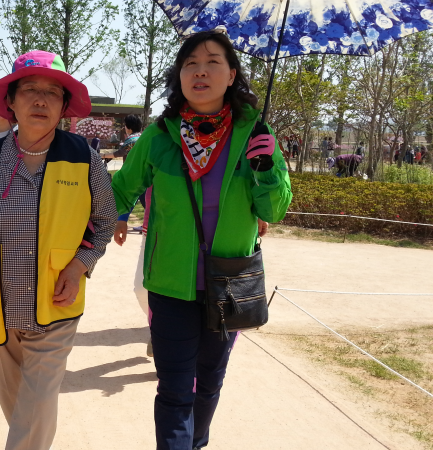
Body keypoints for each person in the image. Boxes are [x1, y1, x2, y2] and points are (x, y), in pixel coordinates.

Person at [110, 31, 292, 449]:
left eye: (212, 62)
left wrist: (267, 169)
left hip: (230, 284)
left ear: (231, 75)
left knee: (209, 384)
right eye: (190, 63)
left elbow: (273, 211)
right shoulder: (160, 135)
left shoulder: (255, 134)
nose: (200, 71)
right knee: (175, 391)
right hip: (170, 285)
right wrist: (103, 219)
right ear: (179, 76)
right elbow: (121, 189)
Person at [0, 50, 116, 450]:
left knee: (36, 404)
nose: (41, 100)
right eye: (30, 89)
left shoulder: (84, 159)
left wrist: (79, 265)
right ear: (11, 101)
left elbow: (104, 221)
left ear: (64, 106)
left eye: (53, 92)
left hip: (55, 305)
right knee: (21, 410)